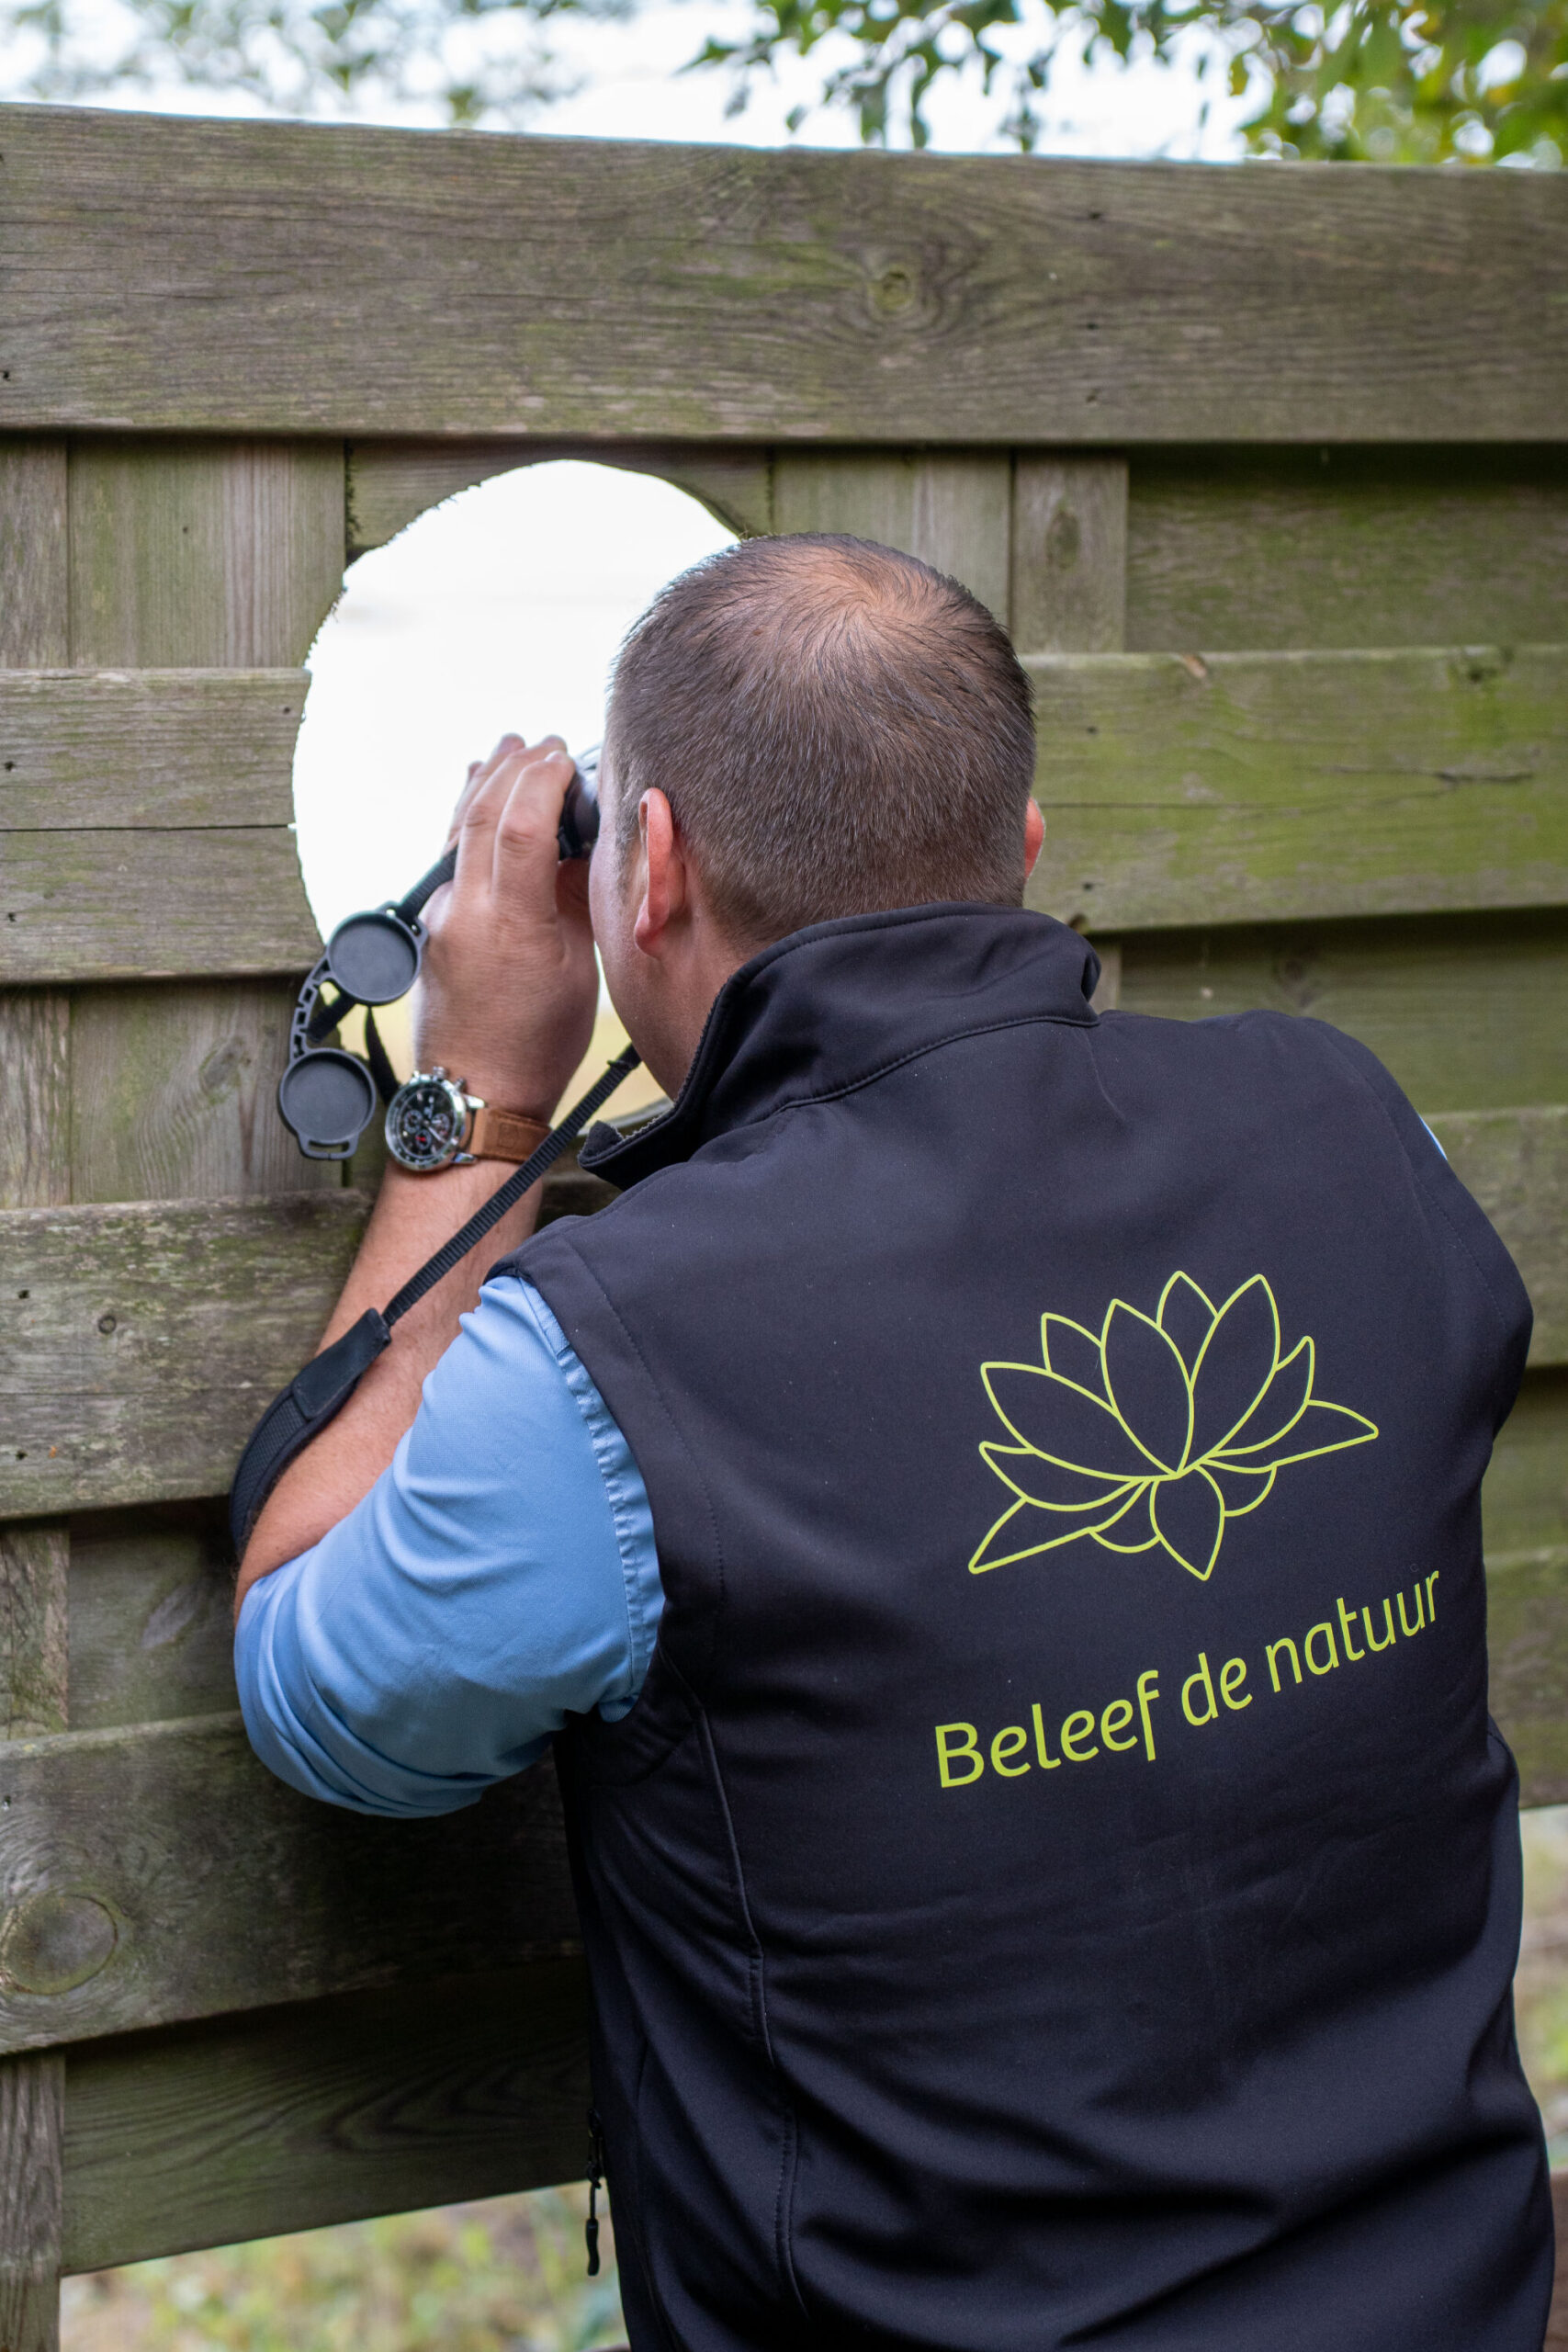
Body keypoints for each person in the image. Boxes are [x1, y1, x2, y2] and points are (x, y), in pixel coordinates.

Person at [235, 533, 1552, 2350]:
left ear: (650, 865)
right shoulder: (1336, 1119)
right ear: (1016, 851)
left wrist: (482, 1109)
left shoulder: (620, 1353)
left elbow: (319, 1681)